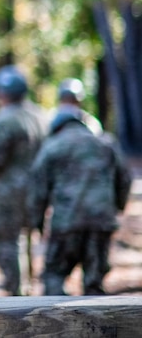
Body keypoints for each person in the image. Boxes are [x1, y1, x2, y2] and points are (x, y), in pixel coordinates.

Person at [29, 80, 132, 296]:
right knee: (94, 283)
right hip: (101, 222)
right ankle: (96, 328)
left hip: (67, 224)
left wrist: (37, 223)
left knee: (54, 276)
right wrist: (117, 207)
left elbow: (39, 189)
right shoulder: (105, 143)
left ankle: (55, 324)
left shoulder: (52, 147)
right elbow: (124, 178)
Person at [0, 65, 47, 296]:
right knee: (28, 237)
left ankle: (15, 288)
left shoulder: (6, 119)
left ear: (2, 92)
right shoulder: (40, 116)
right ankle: (29, 285)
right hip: (36, 189)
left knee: (8, 241)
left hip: (9, 192)